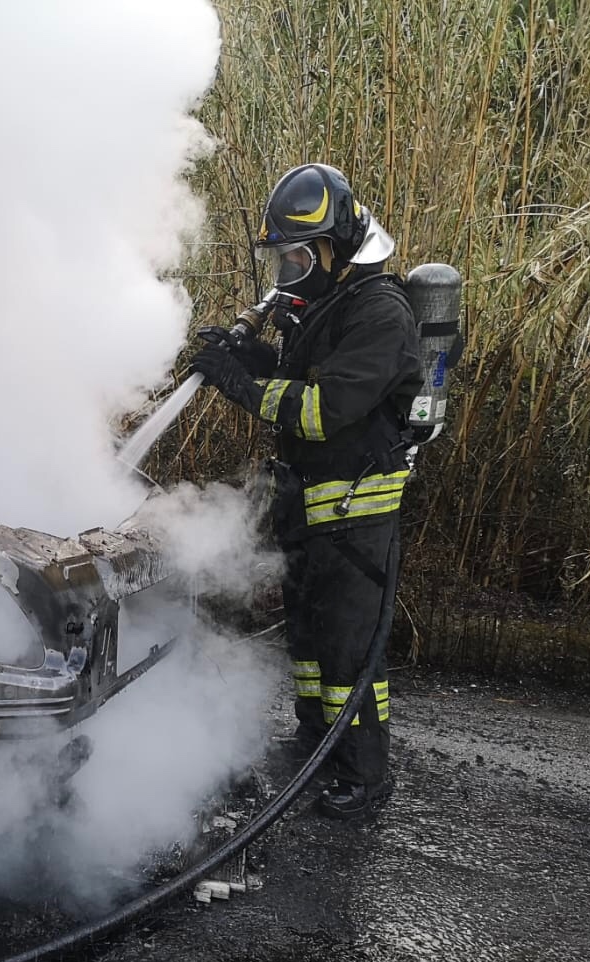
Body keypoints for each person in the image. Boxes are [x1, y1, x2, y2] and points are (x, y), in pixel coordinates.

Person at [192, 163, 422, 820]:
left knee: (349, 652)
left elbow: (321, 409)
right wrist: (240, 361)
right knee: (310, 642)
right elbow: (296, 374)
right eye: (282, 257)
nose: (287, 269)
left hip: (354, 510)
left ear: (334, 246)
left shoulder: (380, 312)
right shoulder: (326, 302)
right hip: (309, 502)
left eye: (297, 255)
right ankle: (317, 743)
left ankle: (363, 777)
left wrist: (238, 387)